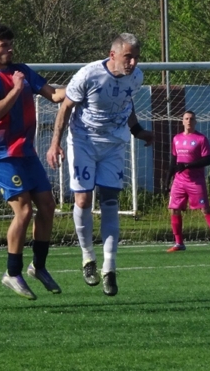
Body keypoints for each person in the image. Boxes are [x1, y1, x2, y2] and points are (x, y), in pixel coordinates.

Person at [46, 33, 153, 297]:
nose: (133, 62)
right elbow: (65, 107)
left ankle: (109, 268)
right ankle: (87, 258)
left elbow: (126, 104)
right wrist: (55, 143)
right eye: (129, 56)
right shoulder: (88, 75)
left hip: (114, 144)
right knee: (83, 200)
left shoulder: (136, 77)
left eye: (136, 58)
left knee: (110, 202)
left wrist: (138, 130)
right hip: (83, 142)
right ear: (113, 54)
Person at [0, 24, 65, 300]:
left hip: (26, 152)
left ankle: (39, 266)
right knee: (23, 211)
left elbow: (55, 95)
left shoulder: (21, 69)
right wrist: (16, 89)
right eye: (4, 46)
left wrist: (82, 85)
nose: (10, 50)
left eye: (12, 45)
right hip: (0, 155)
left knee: (48, 206)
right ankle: (12, 272)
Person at [166, 111, 210, 252]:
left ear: (195, 122)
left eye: (191, 119)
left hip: (196, 181)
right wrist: (167, 181)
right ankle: (179, 243)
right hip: (179, 181)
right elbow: (173, 162)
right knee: (174, 209)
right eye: (186, 118)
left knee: (205, 209)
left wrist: (187, 166)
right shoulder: (176, 139)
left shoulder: (201, 139)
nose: (189, 121)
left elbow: (207, 160)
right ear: (182, 121)